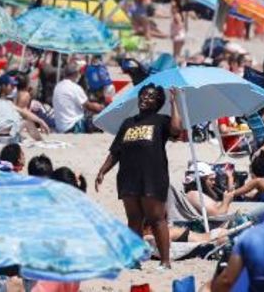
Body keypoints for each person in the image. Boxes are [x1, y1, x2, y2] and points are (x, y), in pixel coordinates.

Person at [94, 86, 182, 269]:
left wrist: (175, 104)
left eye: (150, 96)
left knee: (156, 219)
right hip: (128, 177)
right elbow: (115, 152)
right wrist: (102, 171)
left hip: (153, 177)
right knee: (134, 219)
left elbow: (176, 129)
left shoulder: (161, 121)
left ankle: (165, 261)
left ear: (158, 102)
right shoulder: (128, 123)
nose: (144, 98)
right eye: (143, 94)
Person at [51, 65, 104, 133]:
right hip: (73, 126)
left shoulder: (58, 86)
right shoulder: (74, 87)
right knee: (97, 121)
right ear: (75, 74)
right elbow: (89, 106)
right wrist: (102, 108)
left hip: (60, 127)